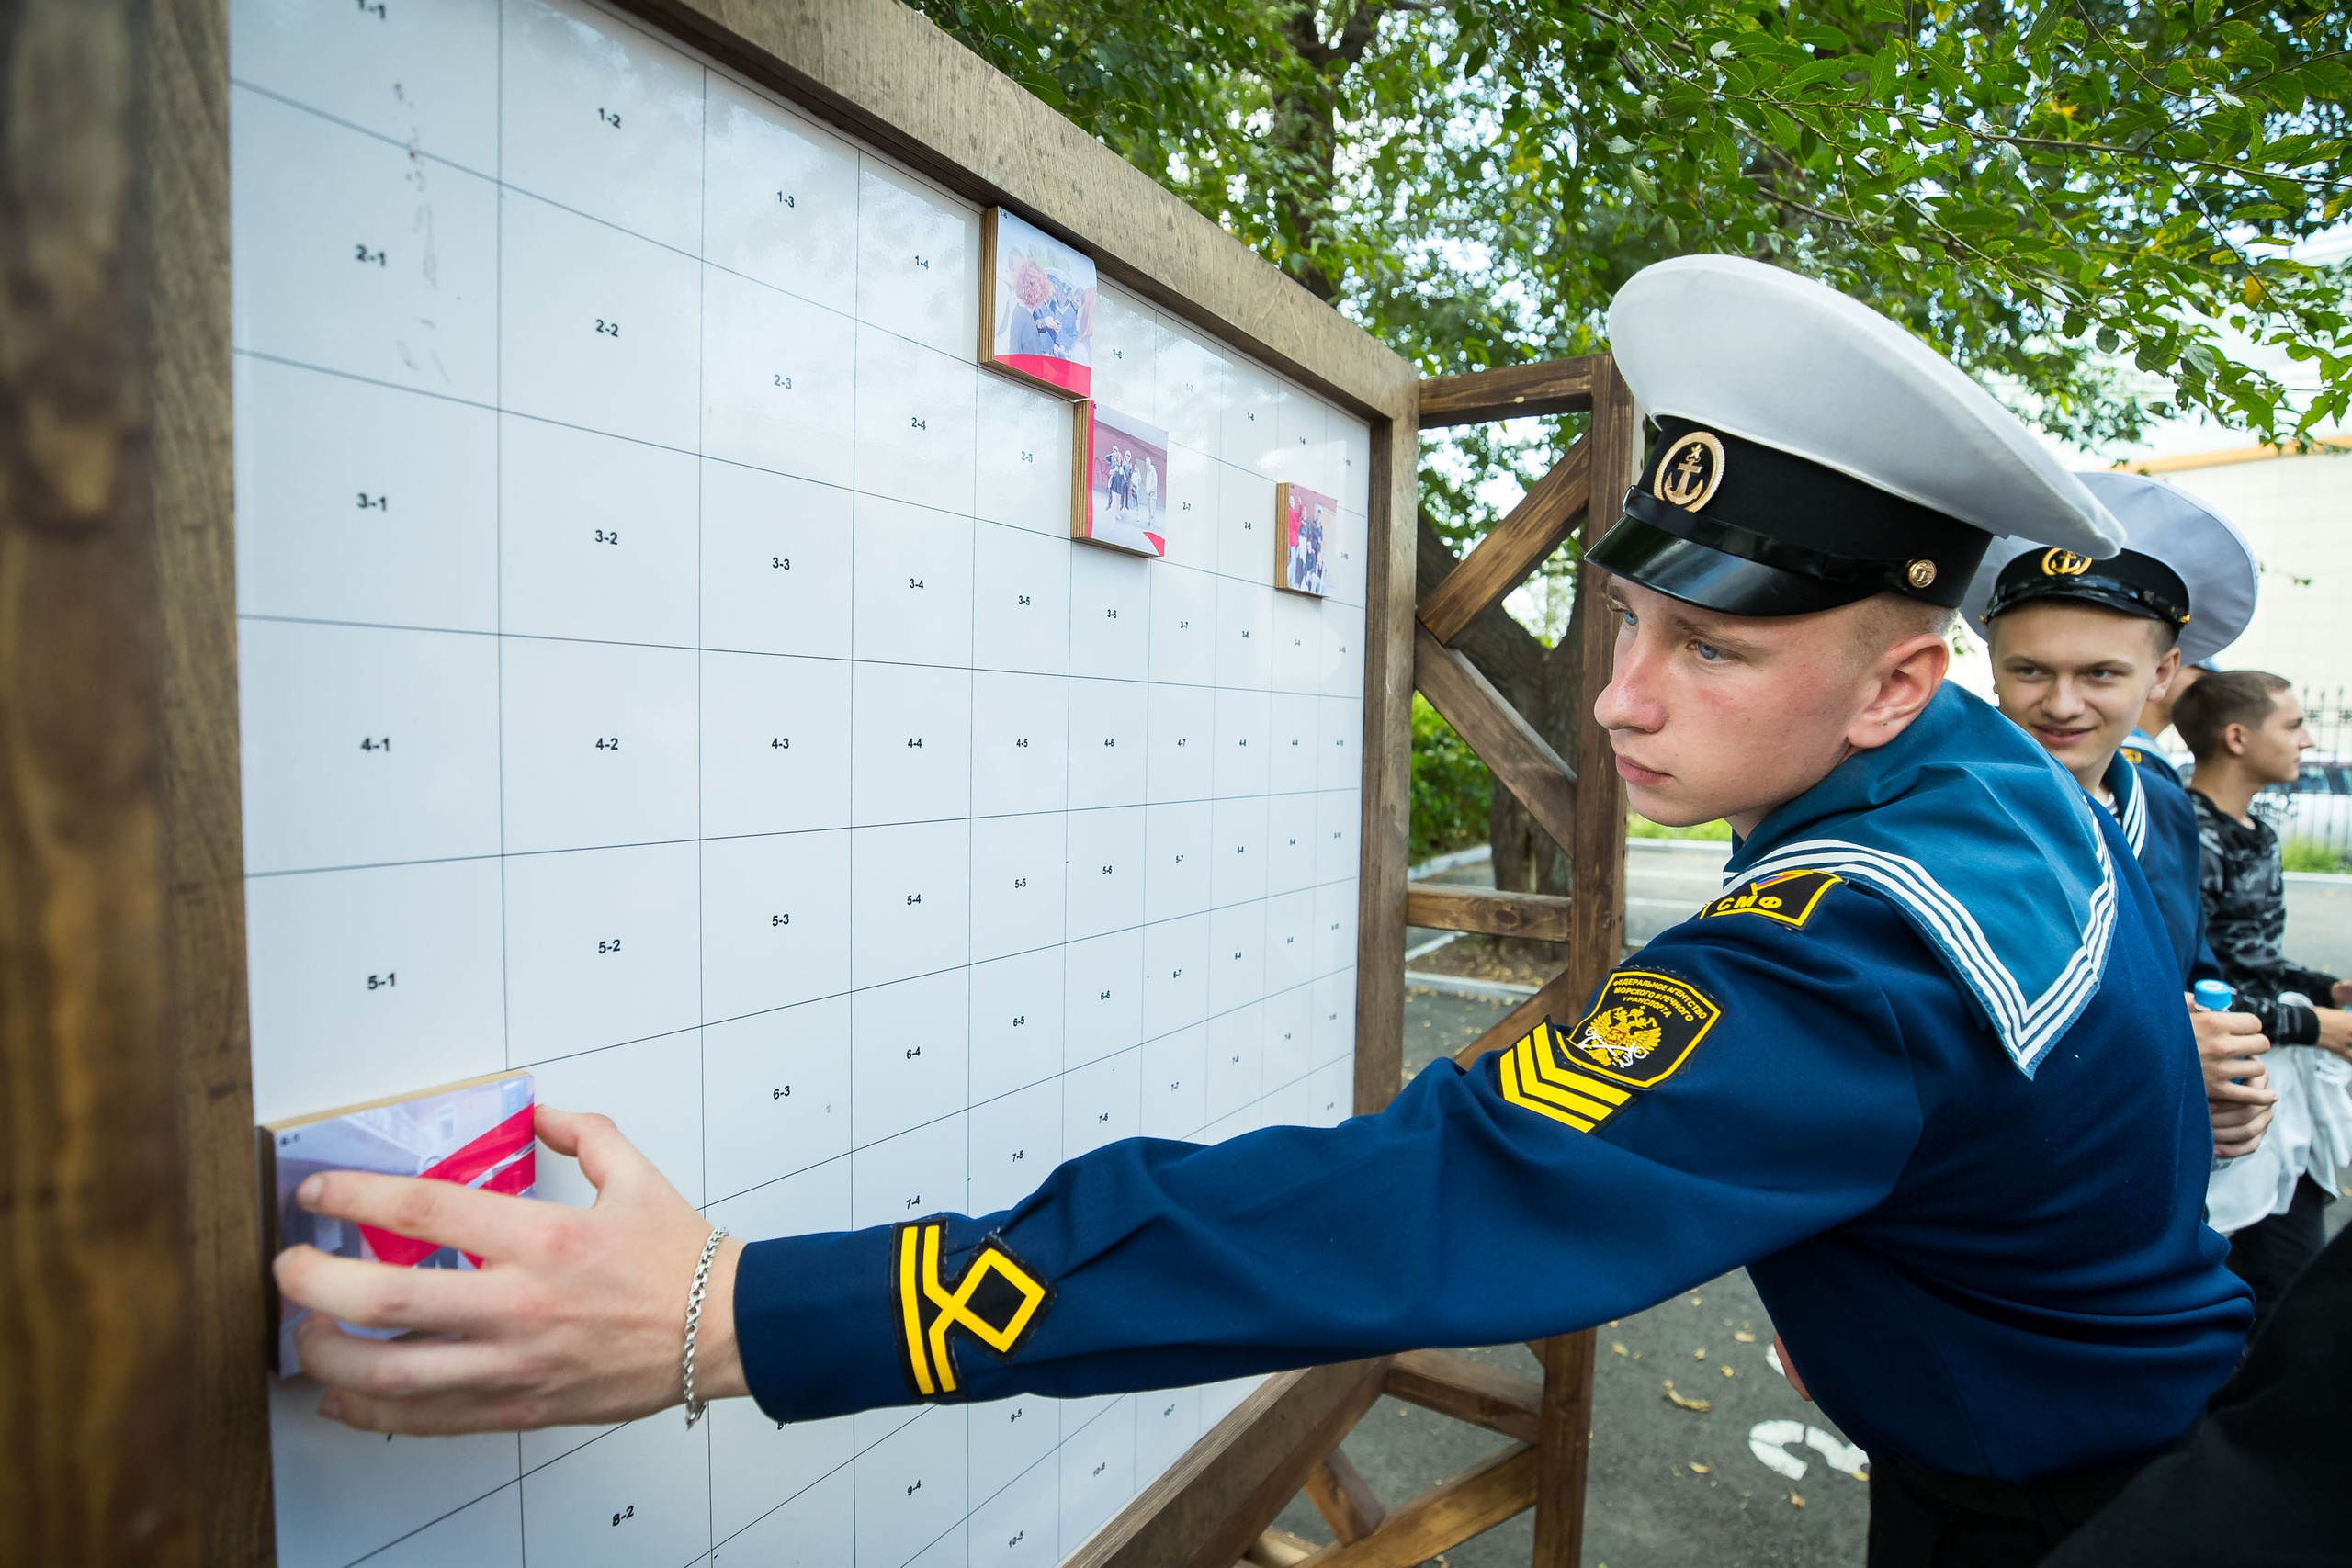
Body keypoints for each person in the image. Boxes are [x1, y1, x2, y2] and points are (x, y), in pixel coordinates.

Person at [272, 256, 2252, 1567]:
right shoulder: (1989, 776)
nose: (1624, 697)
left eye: (1709, 653)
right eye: (1620, 615)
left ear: (1900, 678)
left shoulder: (1856, 950)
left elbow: (1417, 1199)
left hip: (2054, 1498)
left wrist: (728, 1311)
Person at [1961, 473, 2274, 1159]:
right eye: (2032, 670)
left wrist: (2224, 1072)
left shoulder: (2165, 807)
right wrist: (2162, 1055)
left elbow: (2192, 966)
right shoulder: (1942, 815)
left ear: (2162, 673)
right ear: (1991, 663)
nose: (2063, 704)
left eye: (2101, 673)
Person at [2174, 671, 2352, 1328]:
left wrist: (2323, 988)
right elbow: (2195, 984)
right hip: (2232, 1089)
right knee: (2271, 1287)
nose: (2307, 740)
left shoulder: (2256, 830)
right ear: (2238, 737)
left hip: (2274, 1082)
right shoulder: (2188, 836)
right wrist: (2312, 1024)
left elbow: (2254, 956)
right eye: (2293, 724)